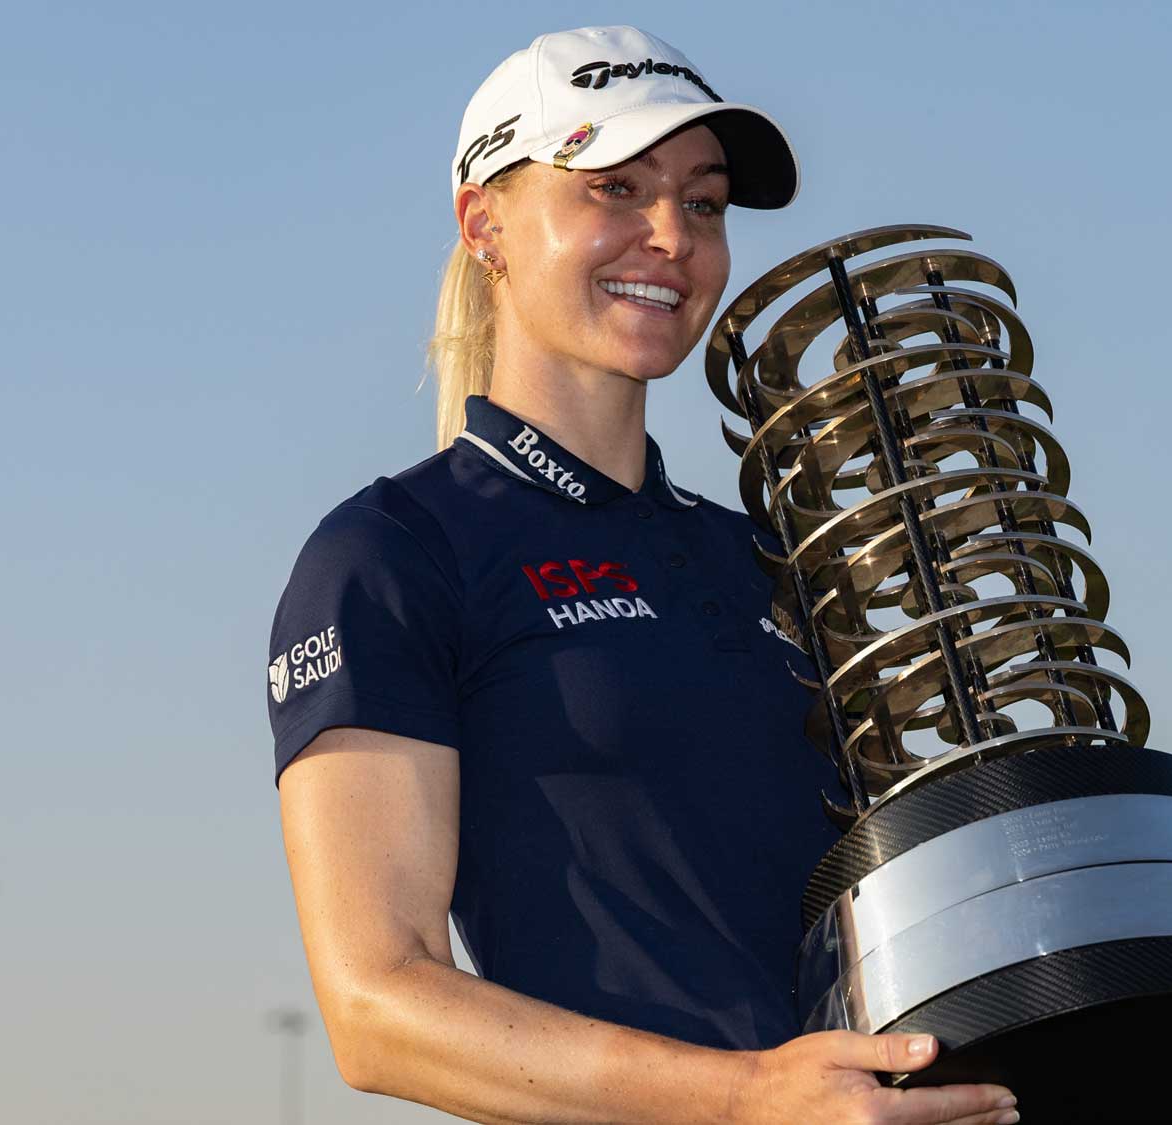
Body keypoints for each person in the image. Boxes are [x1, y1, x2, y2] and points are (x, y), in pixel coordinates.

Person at [266, 25, 1021, 1125]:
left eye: (704, 203)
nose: (671, 235)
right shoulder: (394, 553)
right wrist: (747, 1097)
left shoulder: (771, 560)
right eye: (615, 189)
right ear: (488, 227)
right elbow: (377, 1009)